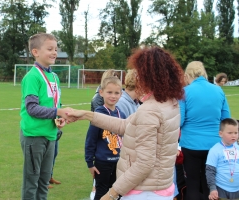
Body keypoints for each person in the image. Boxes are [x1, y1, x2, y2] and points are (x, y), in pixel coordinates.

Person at [67, 46, 185, 200]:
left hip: (144, 192)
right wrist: (85, 115)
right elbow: (125, 126)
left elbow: (144, 164)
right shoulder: (169, 102)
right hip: (159, 187)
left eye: (139, 73)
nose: (136, 78)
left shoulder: (150, 110)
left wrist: (111, 194)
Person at [19, 32, 72, 200]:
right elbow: (32, 109)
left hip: (51, 134)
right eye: (50, 48)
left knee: (44, 181)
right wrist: (58, 112)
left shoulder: (54, 76)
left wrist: (60, 117)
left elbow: (56, 104)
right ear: (35, 52)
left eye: (56, 49)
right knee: (31, 182)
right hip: (34, 135)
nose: (54, 52)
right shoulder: (32, 77)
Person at [179, 61, 231, 200]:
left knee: (192, 184)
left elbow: (180, 120)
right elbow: (226, 119)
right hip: (213, 144)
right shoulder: (218, 90)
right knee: (210, 186)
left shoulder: (185, 92)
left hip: (191, 144)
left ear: (188, 75)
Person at [85, 76, 126, 200]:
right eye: (109, 92)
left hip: (118, 161)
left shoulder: (122, 114)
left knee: (117, 191)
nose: (113, 96)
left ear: (121, 94)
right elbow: (90, 140)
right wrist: (89, 163)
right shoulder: (98, 114)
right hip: (102, 162)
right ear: (101, 92)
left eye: (116, 93)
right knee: (102, 190)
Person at [206, 118, 239, 200]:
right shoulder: (215, 150)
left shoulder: (237, 148)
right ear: (221, 134)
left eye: (236, 132)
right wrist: (212, 188)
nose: (234, 135)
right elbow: (210, 171)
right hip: (221, 189)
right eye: (230, 133)